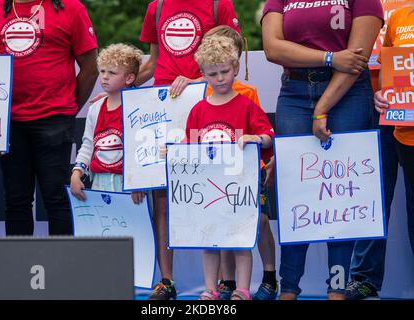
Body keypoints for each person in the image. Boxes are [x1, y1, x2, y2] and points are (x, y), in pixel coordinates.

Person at [262, 0, 384, 299]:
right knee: (295, 191)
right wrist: (330, 57)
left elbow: (355, 60)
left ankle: (337, 290)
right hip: (293, 91)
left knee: (340, 193)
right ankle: (288, 289)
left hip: (348, 93)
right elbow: (273, 49)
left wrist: (322, 109)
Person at [138, 0, 241, 300]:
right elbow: (154, 63)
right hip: (166, 110)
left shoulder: (218, 3)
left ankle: (225, 281)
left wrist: (197, 80)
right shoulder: (156, 6)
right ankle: (166, 281)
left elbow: (231, 55)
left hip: (207, 102)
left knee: (217, 192)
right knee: (163, 197)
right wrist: (117, 90)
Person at [0, 0, 99, 235]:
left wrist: (67, 107)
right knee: (16, 202)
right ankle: (19, 267)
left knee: (56, 199)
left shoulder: (70, 7)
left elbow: (90, 66)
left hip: (55, 118)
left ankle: (60, 268)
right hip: (10, 122)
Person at [184, 35, 274, 300]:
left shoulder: (246, 105)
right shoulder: (198, 110)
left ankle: (242, 290)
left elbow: (269, 135)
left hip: (241, 184)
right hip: (210, 188)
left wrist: (255, 138)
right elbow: (190, 146)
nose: (220, 78)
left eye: (225, 71)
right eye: (213, 74)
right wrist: (174, 150)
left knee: (241, 239)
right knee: (210, 241)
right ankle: (210, 289)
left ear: (235, 69)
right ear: (203, 75)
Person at [346, 2, 414, 300]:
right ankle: (365, 278)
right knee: (373, 192)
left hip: (405, 113)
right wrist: (382, 91)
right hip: (371, 101)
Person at [70, 43, 146, 205]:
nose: (104, 76)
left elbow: (144, 149)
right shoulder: (95, 109)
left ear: (129, 78)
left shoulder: (139, 108)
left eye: (112, 73)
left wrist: (139, 182)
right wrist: (77, 172)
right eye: (102, 71)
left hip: (130, 185)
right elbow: (88, 145)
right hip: (99, 183)